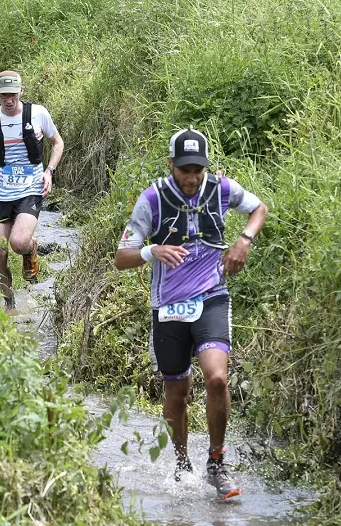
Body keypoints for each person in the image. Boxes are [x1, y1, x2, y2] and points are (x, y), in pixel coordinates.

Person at [114, 128, 268, 500]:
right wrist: (154, 252)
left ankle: (217, 462)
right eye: (185, 169)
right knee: (177, 391)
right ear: (171, 166)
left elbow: (258, 208)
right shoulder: (151, 200)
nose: (192, 177)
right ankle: (183, 464)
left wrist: (243, 241)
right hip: (168, 306)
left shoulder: (220, 188)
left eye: (198, 168)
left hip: (212, 295)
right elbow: (122, 258)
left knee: (217, 379)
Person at [0, 71, 65, 310]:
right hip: (0, 193)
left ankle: (30, 247)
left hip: (31, 188)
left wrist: (49, 171)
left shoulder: (38, 114)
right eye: (4, 95)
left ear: (21, 92)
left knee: (18, 243)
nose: (8, 100)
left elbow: (57, 143)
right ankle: (10, 304)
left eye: (13, 95)